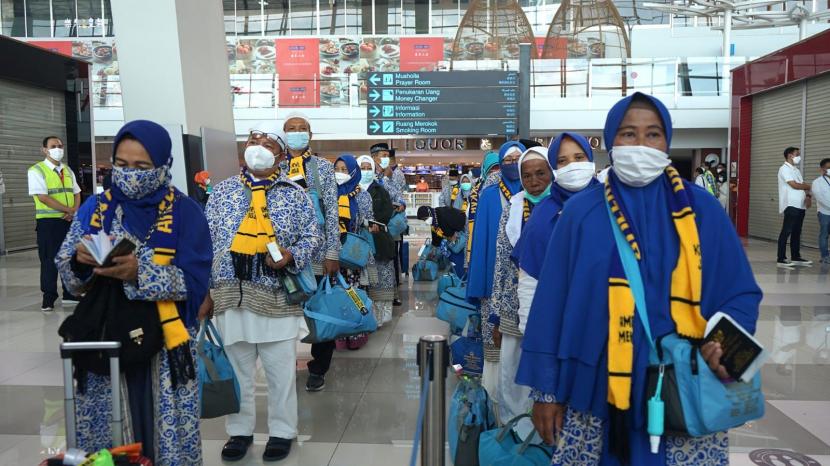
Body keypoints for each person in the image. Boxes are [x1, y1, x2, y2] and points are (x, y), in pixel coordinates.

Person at [517, 93, 763, 466]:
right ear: (612, 141)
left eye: (653, 135)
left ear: (667, 142)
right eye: (629, 134)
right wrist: (546, 392)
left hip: (685, 391)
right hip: (597, 393)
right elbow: (552, 304)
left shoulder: (702, 210)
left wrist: (723, 344)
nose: (641, 145)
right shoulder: (582, 213)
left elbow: (739, 291)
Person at [56, 120, 212, 464]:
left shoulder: (186, 212)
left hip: (165, 345)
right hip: (106, 341)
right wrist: (82, 263)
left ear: (163, 165)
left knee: (163, 431)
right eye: (122, 166)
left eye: (142, 167)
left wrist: (141, 272)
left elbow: (197, 283)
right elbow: (69, 276)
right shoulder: (95, 208)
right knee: (110, 432)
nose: (130, 175)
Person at [202, 122, 322, 462]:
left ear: (281, 155)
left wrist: (291, 255)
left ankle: (282, 432)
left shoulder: (294, 194)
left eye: (268, 142)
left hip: (276, 297)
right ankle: (239, 433)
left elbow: (313, 237)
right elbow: (206, 243)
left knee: (280, 372)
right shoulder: (222, 192)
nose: (259, 146)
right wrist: (204, 290)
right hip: (230, 294)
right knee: (238, 371)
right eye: (254, 140)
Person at [278, 113, 342, 392]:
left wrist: (333, 253)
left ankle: (319, 368)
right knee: (284, 310)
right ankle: (282, 365)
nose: (296, 133)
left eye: (302, 129)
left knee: (319, 311)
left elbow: (332, 212)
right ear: (283, 133)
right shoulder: (275, 167)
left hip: (317, 254)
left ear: (310, 135)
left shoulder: (323, 168)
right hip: (283, 253)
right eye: (291, 129)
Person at [490, 146, 554, 423]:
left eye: (541, 173)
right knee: (513, 371)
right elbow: (502, 263)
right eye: (526, 176)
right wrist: (495, 315)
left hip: (553, 307)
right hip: (512, 306)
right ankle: (515, 428)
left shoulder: (565, 207)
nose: (533, 181)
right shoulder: (513, 208)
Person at [513, 132, 599, 334]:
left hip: (607, 323)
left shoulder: (613, 205)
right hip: (557, 325)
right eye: (562, 161)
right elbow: (529, 282)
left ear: (589, 159)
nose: (572, 166)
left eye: (579, 158)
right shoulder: (543, 215)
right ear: (554, 168)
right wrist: (529, 330)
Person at [466, 140, 525, 404]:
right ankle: (492, 405)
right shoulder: (490, 195)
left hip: (526, 283)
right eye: (508, 160)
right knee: (494, 347)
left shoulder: (534, 192)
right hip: (493, 281)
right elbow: (480, 243)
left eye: (517, 159)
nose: (513, 164)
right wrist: (478, 284)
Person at [28, 135, 82, 311]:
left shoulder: (67, 170)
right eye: (53, 146)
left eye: (60, 145)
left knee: (71, 258)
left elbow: (76, 192)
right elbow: (43, 197)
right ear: (44, 150)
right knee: (49, 260)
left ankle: (70, 294)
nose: (58, 149)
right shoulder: (36, 170)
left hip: (69, 220)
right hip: (49, 222)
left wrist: (73, 211)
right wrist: (68, 210)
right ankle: (49, 297)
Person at [331, 154, 375, 350]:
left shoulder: (362, 196)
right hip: (333, 255)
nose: (340, 173)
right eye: (337, 169)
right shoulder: (329, 192)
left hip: (353, 256)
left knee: (354, 294)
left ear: (353, 172)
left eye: (344, 169)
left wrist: (368, 225)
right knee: (335, 296)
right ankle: (338, 335)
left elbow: (368, 220)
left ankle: (356, 333)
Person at [358, 155, 397, 330]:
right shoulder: (350, 190)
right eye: (362, 167)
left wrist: (375, 223)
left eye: (368, 167)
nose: (365, 171)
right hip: (357, 242)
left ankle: (380, 317)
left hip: (379, 240)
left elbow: (387, 211)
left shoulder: (380, 190)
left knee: (381, 279)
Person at [370, 143, 406, 306]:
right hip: (371, 227)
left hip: (390, 226)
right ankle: (371, 293)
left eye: (387, 156)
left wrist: (401, 205)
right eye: (382, 155)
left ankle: (392, 294)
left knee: (390, 258)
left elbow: (399, 196)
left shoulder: (393, 175)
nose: (385, 159)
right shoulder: (367, 174)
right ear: (373, 157)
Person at [777, 146, 813, 268]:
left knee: (797, 231)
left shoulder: (796, 170)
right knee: (786, 231)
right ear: (790, 155)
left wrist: (808, 196)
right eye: (797, 154)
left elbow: (802, 185)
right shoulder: (784, 169)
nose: (799, 157)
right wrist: (808, 186)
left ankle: (796, 257)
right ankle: (781, 259)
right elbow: (794, 185)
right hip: (791, 204)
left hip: (800, 205)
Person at [466, 150, 500, 264]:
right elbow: (470, 222)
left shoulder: (511, 188)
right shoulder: (476, 193)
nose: (495, 173)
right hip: (482, 240)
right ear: (485, 171)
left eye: (498, 168)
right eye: (492, 169)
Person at [812, 158, 830, 264]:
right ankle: (824, 256)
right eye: (828, 168)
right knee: (824, 234)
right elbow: (820, 198)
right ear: (822, 169)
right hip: (824, 213)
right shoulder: (817, 182)